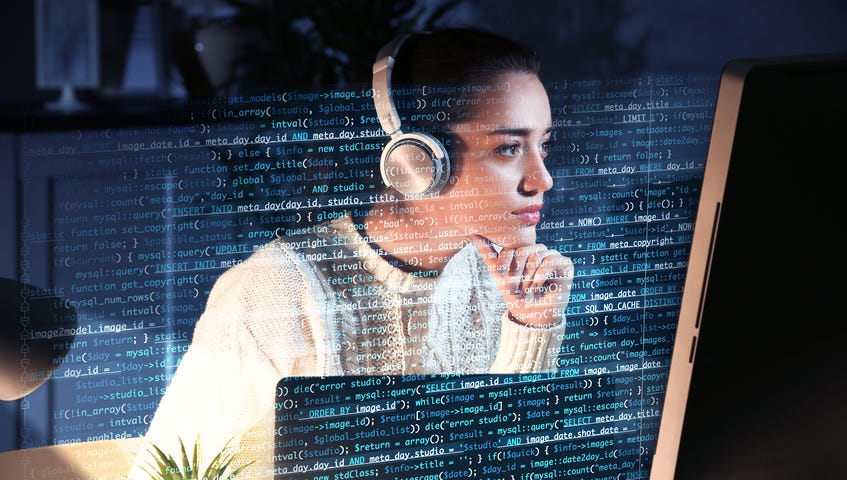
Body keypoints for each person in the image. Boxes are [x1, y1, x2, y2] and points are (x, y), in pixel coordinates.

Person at [130, 28, 573, 479]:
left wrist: (531, 329)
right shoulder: (277, 287)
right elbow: (160, 472)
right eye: (509, 148)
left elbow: (503, 464)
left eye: (543, 145)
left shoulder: (505, 283)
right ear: (418, 158)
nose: (542, 179)